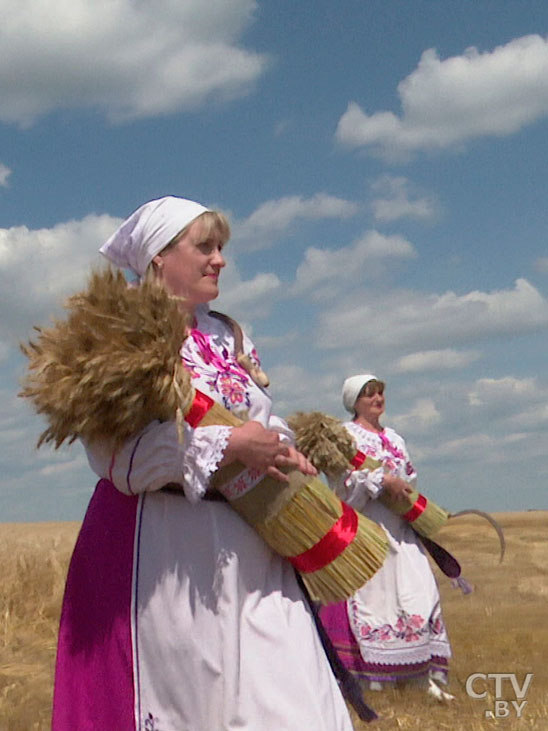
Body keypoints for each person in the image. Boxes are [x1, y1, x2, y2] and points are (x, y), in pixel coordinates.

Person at [51, 196, 354, 730]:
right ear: (159, 259)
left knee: (292, 688)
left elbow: (261, 414)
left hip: (255, 540)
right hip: (170, 549)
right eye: (205, 247)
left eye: (222, 248)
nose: (220, 260)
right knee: (199, 695)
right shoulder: (113, 337)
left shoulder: (228, 336)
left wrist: (277, 444)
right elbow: (116, 458)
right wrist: (228, 448)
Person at [317, 375, 454, 701]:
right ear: (355, 401)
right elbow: (342, 482)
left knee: (419, 593)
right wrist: (379, 482)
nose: (377, 398)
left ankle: (420, 673)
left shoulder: (395, 437)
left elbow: (409, 476)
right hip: (369, 528)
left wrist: (406, 495)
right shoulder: (344, 436)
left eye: (380, 392)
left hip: (401, 529)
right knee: (377, 600)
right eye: (369, 394)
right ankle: (373, 680)